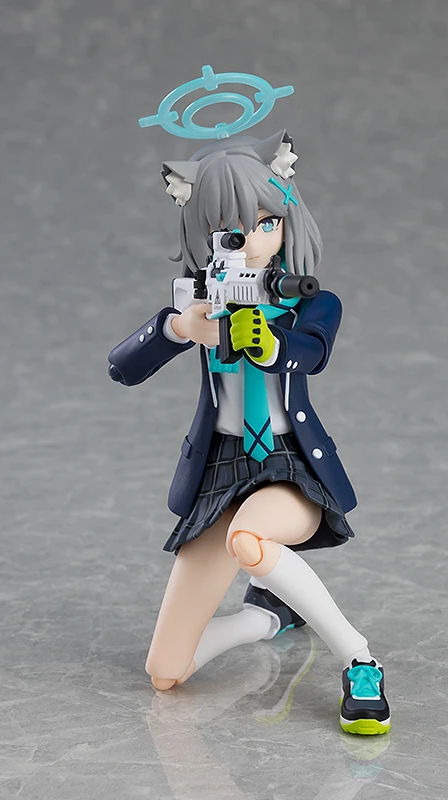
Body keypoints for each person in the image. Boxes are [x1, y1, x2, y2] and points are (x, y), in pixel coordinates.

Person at [108, 130, 390, 735]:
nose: (252, 241)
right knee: (166, 673)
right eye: (230, 231)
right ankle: (267, 617)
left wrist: (270, 343)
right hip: (221, 469)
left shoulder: (312, 304)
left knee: (250, 539)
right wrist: (178, 329)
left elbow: (312, 353)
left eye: (266, 224)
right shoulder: (200, 302)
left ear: (287, 223)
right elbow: (121, 368)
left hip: (288, 465)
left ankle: (360, 659)